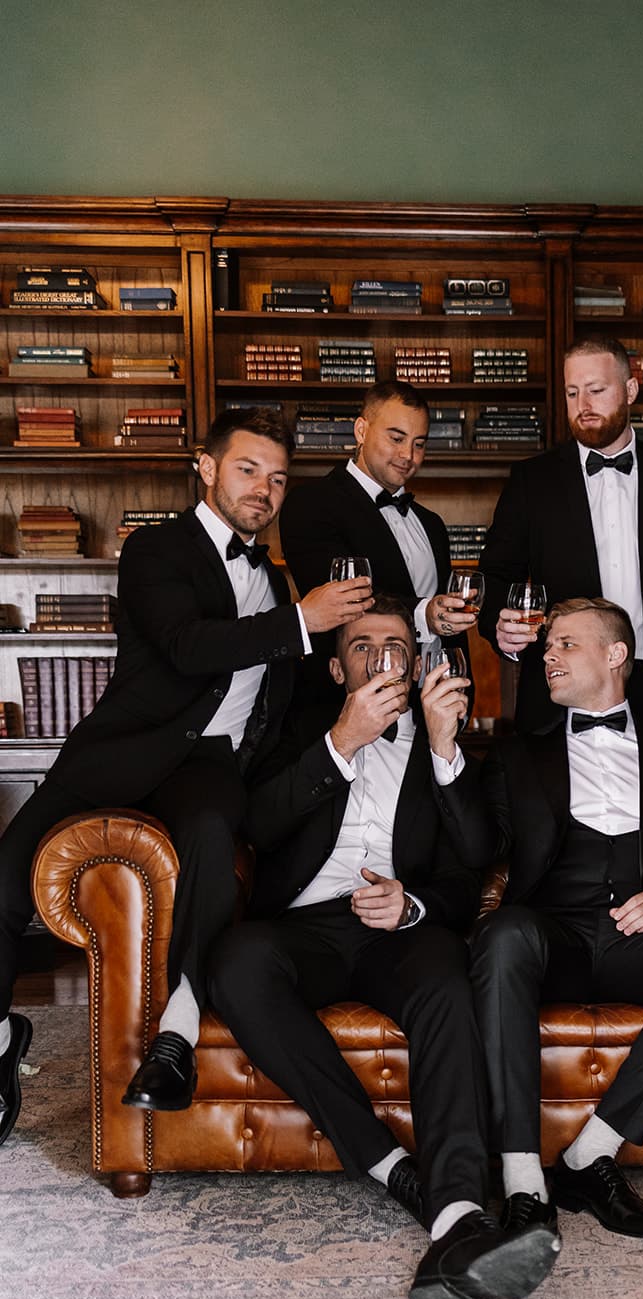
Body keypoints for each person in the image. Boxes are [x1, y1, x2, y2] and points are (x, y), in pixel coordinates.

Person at [0, 408, 369, 1144]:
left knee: (209, 834)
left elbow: (291, 694)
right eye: (247, 470)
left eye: (277, 479)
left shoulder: (277, 579)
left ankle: (176, 1032)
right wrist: (302, 622)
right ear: (205, 466)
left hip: (210, 763)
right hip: (122, 752)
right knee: (4, 883)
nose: (263, 490)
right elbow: (185, 645)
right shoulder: (155, 550)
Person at [207, 597, 560, 1299]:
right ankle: (392, 1166)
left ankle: (458, 1206)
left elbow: (473, 863)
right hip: (306, 928)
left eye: (396, 644)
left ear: (418, 659)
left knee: (446, 982)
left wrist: (440, 749)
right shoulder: (299, 729)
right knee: (238, 961)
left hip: (401, 930)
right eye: (362, 645)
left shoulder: (446, 740)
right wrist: (342, 739)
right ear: (337, 667)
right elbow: (257, 826)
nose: (381, 657)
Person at [447, 598, 643, 1240]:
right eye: (547, 645)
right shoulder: (517, 755)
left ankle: (592, 1154)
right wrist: (447, 754)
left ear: (616, 656)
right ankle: (524, 1179)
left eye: (564, 645)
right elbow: (479, 851)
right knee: (501, 935)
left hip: (636, 945)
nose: (546, 655)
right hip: (549, 936)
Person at [478, 334, 643, 732]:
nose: (583, 406)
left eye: (596, 390)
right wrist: (498, 625)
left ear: (630, 390)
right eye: (572, 393)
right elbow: (494, 574)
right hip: (559, 696)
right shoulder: (532, 480)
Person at [280, 380, 478, 724]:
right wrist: (423, 616)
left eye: (419, 444)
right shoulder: (310, 504)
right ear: (361, 429)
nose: (409, 456)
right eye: (396, 438)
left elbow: (450, 625)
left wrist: (459, 693)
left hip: (429, 710)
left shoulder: (432, 524)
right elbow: (346, 606)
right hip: (343, 710)